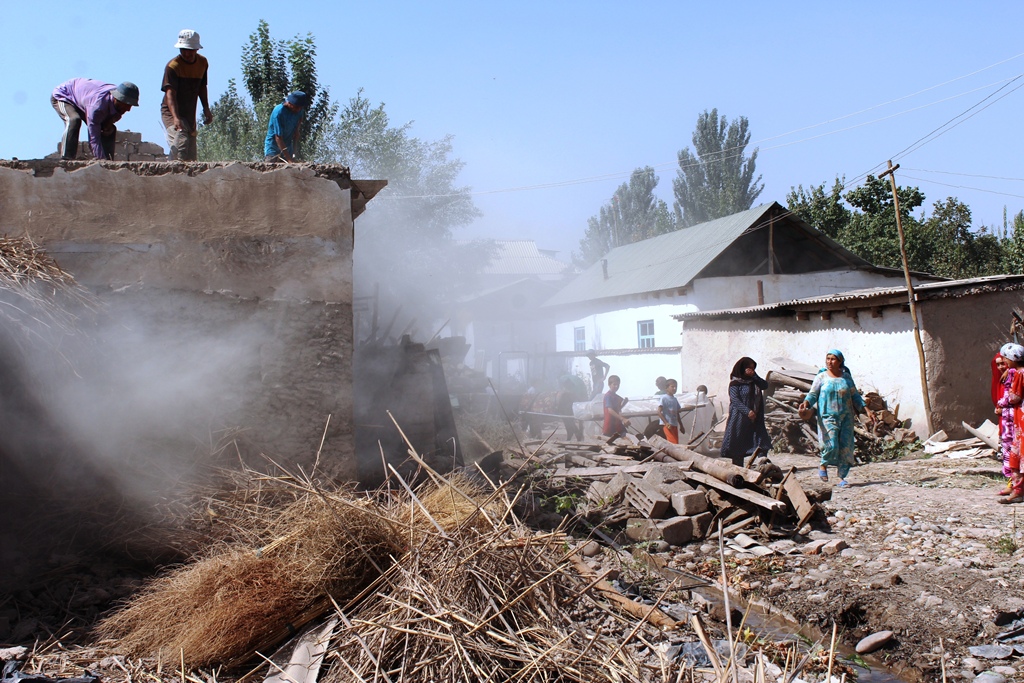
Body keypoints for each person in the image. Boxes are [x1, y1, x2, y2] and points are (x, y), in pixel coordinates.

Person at [798, 350, 874, 488]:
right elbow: (813, 394)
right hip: (828, 416)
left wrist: (867, 410)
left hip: (846, 417)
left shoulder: (846, 378)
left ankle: (842, 478)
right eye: (828, 358)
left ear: (840, 361)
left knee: (846, 447)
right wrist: (806, 403)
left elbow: (855, 396)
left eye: (833, 359)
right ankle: (823, 464)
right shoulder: (821, 377)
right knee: (831, 444)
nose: (829, 361)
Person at [52, 79, 139, 160]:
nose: (128, 109)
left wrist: (108, 125)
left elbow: (108, 124)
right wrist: (100, 160)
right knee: (74, 120)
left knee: (109, 129)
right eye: (127, 105)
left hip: (85, 101)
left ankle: (109, 161)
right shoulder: (97, 107)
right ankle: (67, 158)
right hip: (65, 95)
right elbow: (94, 138)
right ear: (117, 99)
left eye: (130, 105)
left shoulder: (119, 106)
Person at [161, 29, 213, 161]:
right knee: (181, 139)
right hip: (172, 112)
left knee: (191, 158)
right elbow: (170, 94)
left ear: (196, 49)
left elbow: (202, 87)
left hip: (189, 114)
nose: (186, 53)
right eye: (183, 49)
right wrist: (176, 118)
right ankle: (171, 173)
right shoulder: (173, 67)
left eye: (189, 50)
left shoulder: (202, 63)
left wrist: (206, 108)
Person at [720, 357, 772, 466]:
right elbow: (735, 400)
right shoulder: (735, 383)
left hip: (756, 417)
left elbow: (765, 385)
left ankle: (763, 463)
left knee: (761, 440)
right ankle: (738, 468)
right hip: (739, 417)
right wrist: (747, 411)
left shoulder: (754, 381)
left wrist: (754, 375)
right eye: (748, 368)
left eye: (753, 368)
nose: (751, 370)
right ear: (742, 368)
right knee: (738, 443)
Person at [999, 343, 1024, 503]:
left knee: (1018, 454)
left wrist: (1002, 403)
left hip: (1021, 418)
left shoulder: (1019, 375)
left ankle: (1018, 491)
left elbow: (1015, 397)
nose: (1005, 362)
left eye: (1006, 359)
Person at [264, 91, 308, 163]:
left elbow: (300, 117)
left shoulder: (299, 110)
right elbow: (278, 137)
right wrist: (289, 160)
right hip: (273, 149)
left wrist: (297, 129)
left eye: (300, 108)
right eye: (296, 107)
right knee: (272, 168)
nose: (298, 110)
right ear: (290, 103)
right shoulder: (279, 112)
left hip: (288, 146)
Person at [557, 374, 587, 441]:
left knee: (568, 420)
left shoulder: (564, 380)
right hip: (575, 404)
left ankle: (576, 434)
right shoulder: (577, 385)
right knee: (570, 420)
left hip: (568, 404)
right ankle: (573, 435)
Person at [657, 379, 683, 444]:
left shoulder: (675, 399)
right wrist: (666, 423)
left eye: (676, 387)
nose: (674, 388)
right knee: (673, 443)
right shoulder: (664, 398)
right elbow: (659, 412)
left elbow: (677, 413)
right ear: (666, 388)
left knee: (676, 443)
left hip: (674, 424)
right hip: (668, 425)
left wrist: (681, 426)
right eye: (672, 386)